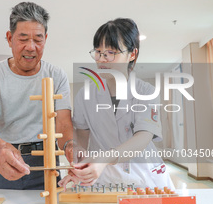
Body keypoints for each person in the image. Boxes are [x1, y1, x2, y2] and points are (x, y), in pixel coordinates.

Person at [59, 18, 174, 189]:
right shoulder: (84, 95)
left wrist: (103, 160)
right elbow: (82, 139)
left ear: (132, 54)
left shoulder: (146, 92)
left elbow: (143, 137)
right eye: (98, 52)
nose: (102, 59)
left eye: (111, 52)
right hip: (103, 180)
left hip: (145, 179)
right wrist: (79, 168)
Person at [0, 2, 73, 190]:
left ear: (45, 39)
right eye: (23, 39)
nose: (31, 47)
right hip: (2, 158)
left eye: (38, 40)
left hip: (46, 161)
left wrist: (70, 145)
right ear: (10, 38)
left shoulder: (57, 74)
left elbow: (63, 123)